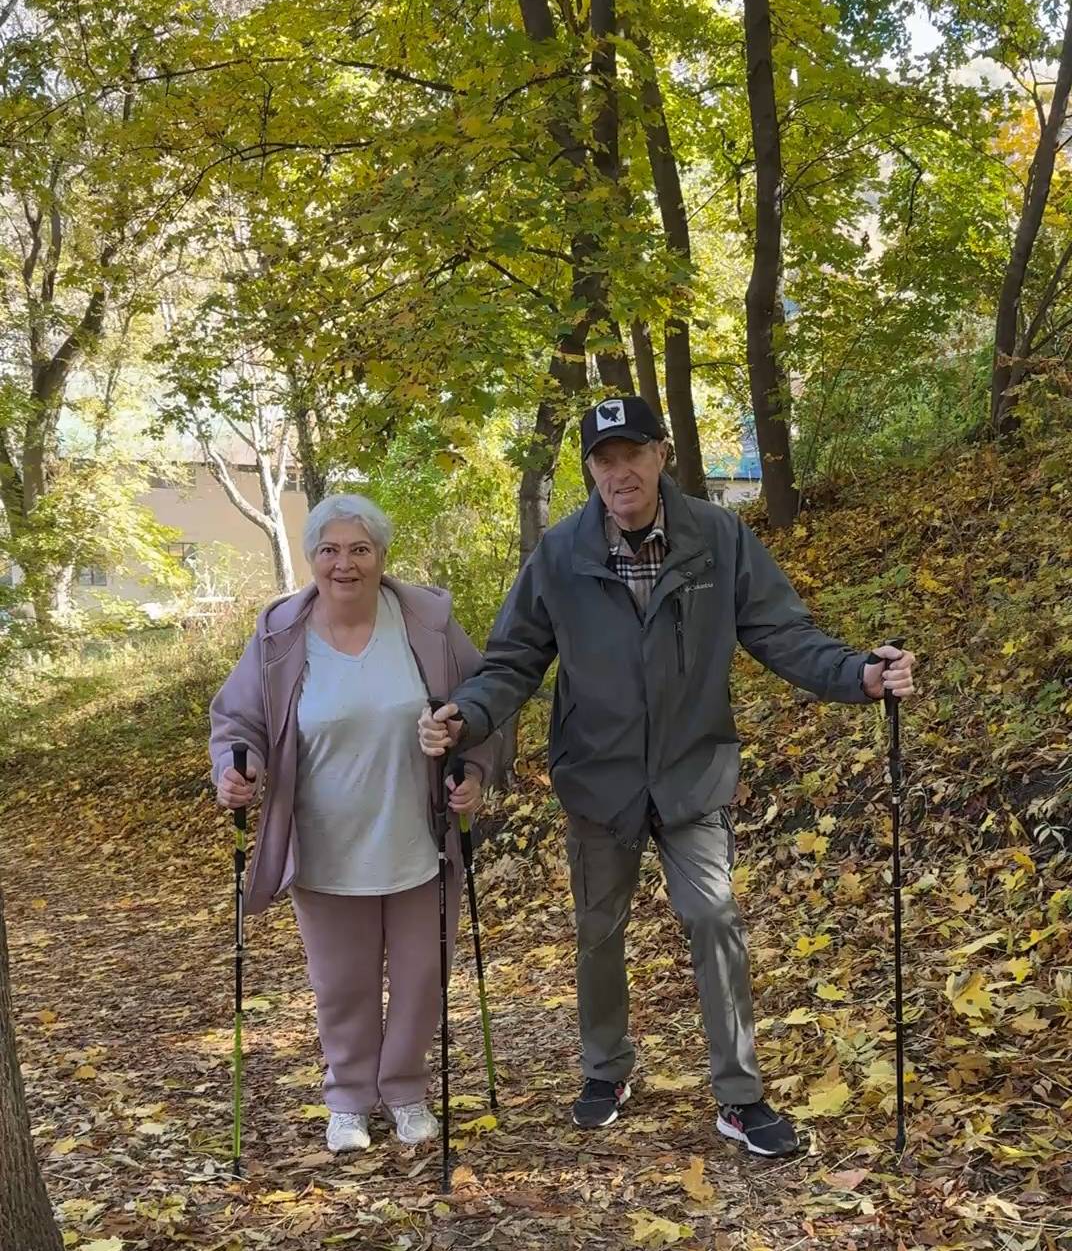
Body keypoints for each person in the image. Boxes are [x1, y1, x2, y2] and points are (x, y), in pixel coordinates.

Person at [419, 396, 916, 1157]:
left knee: (714, 917)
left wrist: (860, 677)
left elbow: (784, 632)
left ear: (660, 456)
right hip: (597, 776)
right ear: (590, 470)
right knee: (598, 931)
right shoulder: (558, 553)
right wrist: (469, 715)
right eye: (603, 459)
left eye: (632, 453)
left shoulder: (717, 538)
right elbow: (513, 659)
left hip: (691, 773)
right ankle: (606, 1068)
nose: (619, 471)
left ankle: (740, 1095)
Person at [210, 493, 496, 1157]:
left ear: (381, 556)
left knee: (425, 973)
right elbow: (238, 720)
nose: (345, 563)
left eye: (360, 549)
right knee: (343, 984)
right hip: (326, 844)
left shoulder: (426, 618)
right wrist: (234, 769)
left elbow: (484, 701)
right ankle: (347, 1099)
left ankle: (404, 1090)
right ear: (311, 558)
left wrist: (472, 766)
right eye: (330, 550)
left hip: (419, 836)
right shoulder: (280, 633)